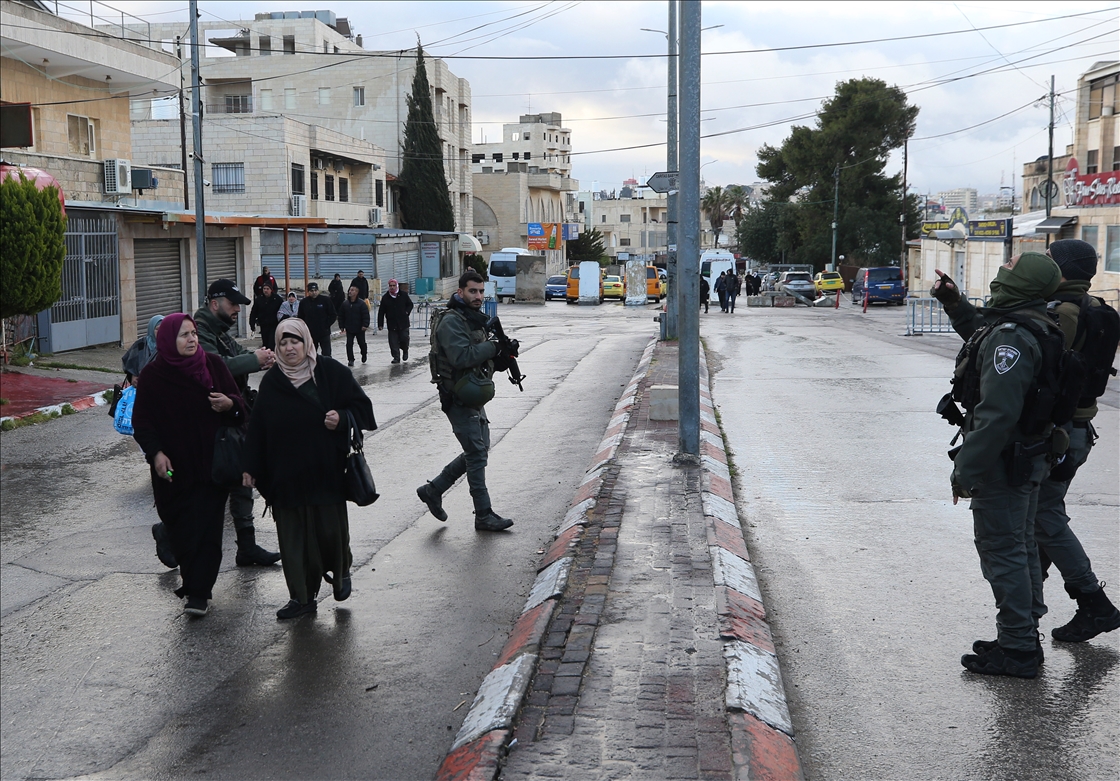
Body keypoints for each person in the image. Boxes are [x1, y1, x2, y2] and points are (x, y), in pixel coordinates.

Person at [931, 251, 1063, 678]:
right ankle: (1019, 635)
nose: (1001, 271)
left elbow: (995, 415)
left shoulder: (1012, 336)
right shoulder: (1029, 324)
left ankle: (1020, 649)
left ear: (1022, 282)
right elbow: (979, 334)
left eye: (1009, 268)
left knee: (1004, 552)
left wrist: (965, 471)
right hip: (1028, 456)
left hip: (1006, 462)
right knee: (1021, 547)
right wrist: (953, 301)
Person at [243, 318, 375, 619]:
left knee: (330, 534)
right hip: (285, 477)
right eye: (284, 343)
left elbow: (362, 409)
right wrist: (250, 466)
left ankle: (341, 571)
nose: (290, 348)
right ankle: (302, 598)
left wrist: (342, 418)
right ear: (277, 347)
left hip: (325, 472)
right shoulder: (273, 382)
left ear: (307, 342)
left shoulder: (331, 373)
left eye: (296, 341)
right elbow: (258, 429)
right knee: (293, 541)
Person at [132, 313, 247, 617]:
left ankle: (198, 593)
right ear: (168, 340)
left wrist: (229, 405)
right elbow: (141, 423)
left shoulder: (213, 366)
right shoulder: (154, 376)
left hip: (212, 466)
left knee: (209, 530)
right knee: (182, 528)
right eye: (184, 335)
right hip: (172, 471)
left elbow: (242, 406)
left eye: (194, 333)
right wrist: (156, 454)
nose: (192, 339)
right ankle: (186, 568)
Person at [1035, 239, 1120, 642]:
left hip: (1062, 433)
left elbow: (1042, 368)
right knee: (1043, 516)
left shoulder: (1063, 313)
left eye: (1049, 261)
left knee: (1044, 516)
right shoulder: (1096, 310)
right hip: (1080, 429)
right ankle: (1028, 613)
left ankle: (1093, 602)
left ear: (1063, 269)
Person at [417, 270, 516, 532]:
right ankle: (483, 514)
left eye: (482, 291)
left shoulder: (472, 320)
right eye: (473, 291)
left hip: (471, 394)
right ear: (460, 292)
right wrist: (493, 348)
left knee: (479, 449)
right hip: (458, 398)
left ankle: (433, 489)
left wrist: (502, 357)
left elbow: (479, 361)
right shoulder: (452, 320)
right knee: (476, 453)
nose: (478, 296)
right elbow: (462, 357)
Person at [192, 279, 281, 567]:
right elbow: (217, 366)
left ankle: (247, 546)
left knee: (243, 476)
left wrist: (261, 356)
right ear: (215, 303)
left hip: (233, 415)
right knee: (213, 485)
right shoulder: (199, 332)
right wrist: (254, 361)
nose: (237, 311)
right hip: (211, 421)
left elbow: (237, 353)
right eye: (233, 305)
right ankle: (169, 532)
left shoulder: (218, 330)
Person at [377, 278, 414, 364]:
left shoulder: (403, 295)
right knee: (393, 342)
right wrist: (380, 324)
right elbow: (381, 311)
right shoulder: (386, 297)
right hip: (392, 323)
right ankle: (396, 357)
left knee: (404, 339)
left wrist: (406, 312)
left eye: (394, 285)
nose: (392, 287)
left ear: (397, 286)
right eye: (390, 286)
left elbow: (410, 304)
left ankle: (405, 350)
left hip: (403, 322)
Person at [122, 314, 163, 387]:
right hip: (140, 386)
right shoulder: (141, 344)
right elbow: (129, 360)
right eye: (157, 329)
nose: (161, 331)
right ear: (151, 329)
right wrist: (133, 375)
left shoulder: (170, 346)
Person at [297, 282, 337, 357]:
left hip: (324, 332)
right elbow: (300, 317)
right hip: (310, 333)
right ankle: (313, 368)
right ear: (308, 292)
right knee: (311, 354)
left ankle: (326, 368)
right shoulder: (304, 302)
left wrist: (326, 325)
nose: (314, 292)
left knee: (327, 354)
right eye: (311, 291)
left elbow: (333, 314)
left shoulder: (325, 300)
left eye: (315, 290)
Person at [339, 285, 371, 366]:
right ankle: (350, 359)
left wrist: (365, 325)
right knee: (349, 344)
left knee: (362, 343)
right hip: (349, 328)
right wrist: (341, 326)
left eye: (353, 290)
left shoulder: (361, 304)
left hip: (360, 328)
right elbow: (341, 316)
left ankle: (364, 354)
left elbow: (365, 315)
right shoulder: (345, 304)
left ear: (357, 292)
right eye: (350, 290)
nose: (350, 291)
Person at [250, 283, 283, 350]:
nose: (265, 290)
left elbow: (283, 311)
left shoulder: (277, 299)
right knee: (265, 343)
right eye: (264, 289)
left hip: (274, 325)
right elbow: (254, 312)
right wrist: (252, 324)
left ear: (271, 290)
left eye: (267, 289)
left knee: (272, 343)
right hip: (263, 324)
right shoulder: (259, 299)